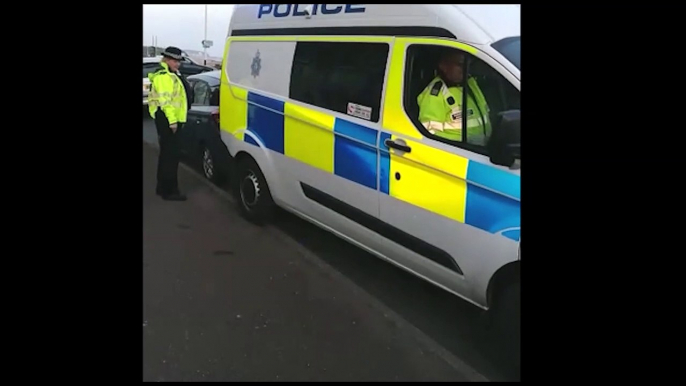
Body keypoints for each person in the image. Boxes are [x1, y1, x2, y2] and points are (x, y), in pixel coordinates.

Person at [417, 49, 491, 146]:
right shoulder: (435, 95)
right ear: (443, 66)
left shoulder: (471, 83)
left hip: (481, 149)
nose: (465, 68)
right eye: (460, 64)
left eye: (468, 64)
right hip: (457, 153)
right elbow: (430, 136)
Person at [147, 46, 191, 201]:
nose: (177, 64)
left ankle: (163, 188)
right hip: (168, 120)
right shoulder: (164, 76)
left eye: (178, 61)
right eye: (174, 61)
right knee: (171, 157)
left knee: (167, 155)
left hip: (169, 119)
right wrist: (172, 122)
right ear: (166, 59)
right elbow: (166, 102)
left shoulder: (171, 74)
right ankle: (170, 191)